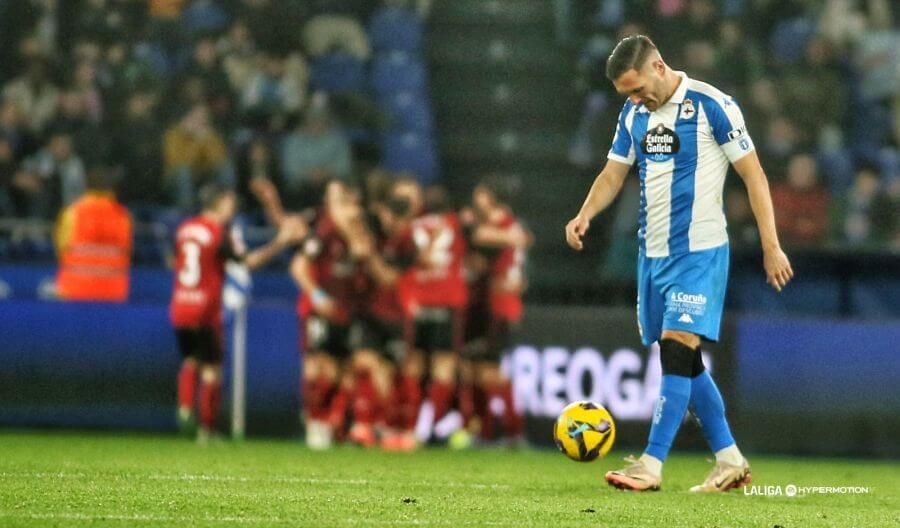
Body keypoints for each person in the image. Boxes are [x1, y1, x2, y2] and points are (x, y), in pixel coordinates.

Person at [564, 35, 793, 492]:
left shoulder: (713, 105)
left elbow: (753, 174)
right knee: (686, 361)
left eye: (636, 88)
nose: (634, 98)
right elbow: (613, 173)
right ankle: (730, 459)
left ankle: (651, 464)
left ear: (659, 67)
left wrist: (772, 245)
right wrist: (585, 213)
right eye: (625, 94)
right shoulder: (633, 114)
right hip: (653, 255)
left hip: (701, 252)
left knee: (676, 348)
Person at [170, 184, 303, 443]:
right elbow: (247, 263)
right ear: (219, 203)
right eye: (230, 203)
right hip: (206, 307)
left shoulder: (185, 229)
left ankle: (185, 409)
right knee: (212, 369)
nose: (233, 209)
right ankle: (206, 431)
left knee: (190, 360)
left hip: (180, 305)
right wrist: (279, 243)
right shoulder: (218, 232)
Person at [289, 180, 370, 449]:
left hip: (347, 310)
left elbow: (362, 252)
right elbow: (298, 266)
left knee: (344, 372)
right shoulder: (322, 232)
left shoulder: (357, 231)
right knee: (318, 367)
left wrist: (350, 228)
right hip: (320, 310)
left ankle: (334, 423)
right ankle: (316, 422)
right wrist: (318, 296)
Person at [460, 178, 531, 445]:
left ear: (491, 199)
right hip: (489, 304)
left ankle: (513, 432)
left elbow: (484, 236)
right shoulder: (510, 228)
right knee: (473, 369)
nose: (475, 201)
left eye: (480, 196)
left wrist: (469, 225)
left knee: (490, 371)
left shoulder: (503, 227)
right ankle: (485, 432)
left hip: (500, 306)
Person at [55, 165, 132, 302]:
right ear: (111, 189)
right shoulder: (123, 217)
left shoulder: (72, 213)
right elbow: (127, 252)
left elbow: (61, 249)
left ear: (86, 186)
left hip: (74, 292)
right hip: (113, 294)